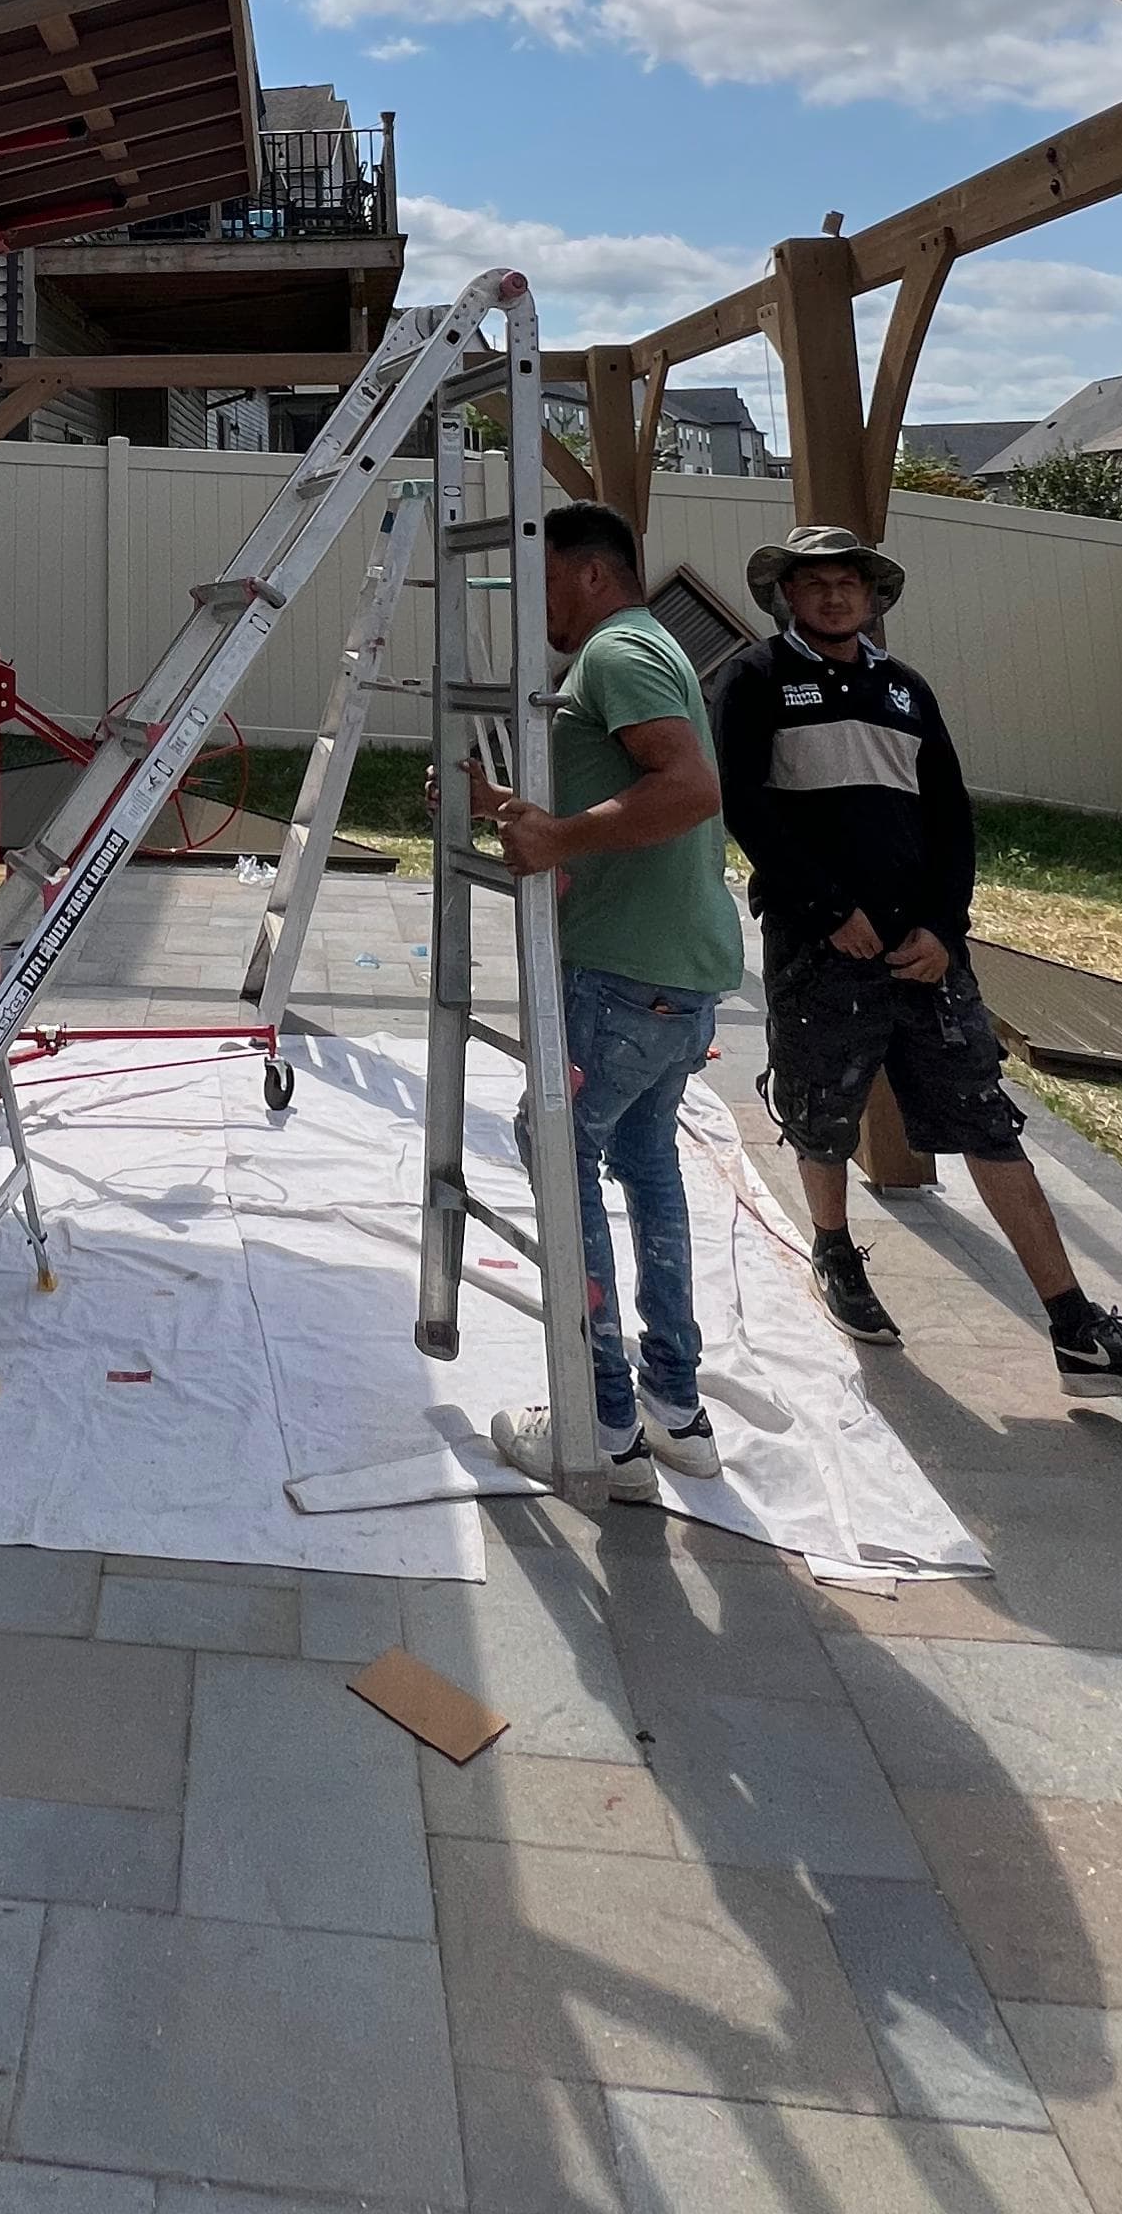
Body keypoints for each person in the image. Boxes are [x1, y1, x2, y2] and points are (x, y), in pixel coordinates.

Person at [715, 522, 1122, 1390]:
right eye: (814, 583)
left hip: (924, 952)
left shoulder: (906, 690)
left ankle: (1074, 1324)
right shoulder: (755, 680)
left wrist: (945, 926)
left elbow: (950, 821)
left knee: (985, 1117)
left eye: (848, 584)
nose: (832, 597)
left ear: (872, 596)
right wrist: (830, 910)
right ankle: (834, 1251)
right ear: (787, 593)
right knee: (822, 1111)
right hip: (819, 946)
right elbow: (748, 810)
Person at [460, 500, 740, 1501]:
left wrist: (560, 843)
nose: (533, 601)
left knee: (557, 1144)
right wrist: (524, 815)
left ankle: (602, 1420)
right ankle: (675, 1409)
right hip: (676, 969)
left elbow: (691, 788)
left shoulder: (618, 654)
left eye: (541, 578)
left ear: (587, 574)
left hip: (624, 974)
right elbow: (636, 790)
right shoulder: (639, 648)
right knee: (641, 1159)